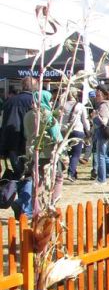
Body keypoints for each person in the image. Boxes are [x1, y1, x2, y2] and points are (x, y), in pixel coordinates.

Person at [16, 89, 63, 218]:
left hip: (32, 151)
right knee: (57, 178)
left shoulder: (28, 114)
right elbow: (56, 136)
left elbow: (26, 134)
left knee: (37, 180)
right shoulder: (47, 114)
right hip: (48, 152)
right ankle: (52, 203)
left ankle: (36, 207)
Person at [0, 77, 37, 179]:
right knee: (28, 174)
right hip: (28, 141)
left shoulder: (9, 101)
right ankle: (26, 194)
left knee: (19, 172)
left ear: (22, 86)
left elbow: (3, 124)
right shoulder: (34, 102)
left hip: (12, 141)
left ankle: (21, 192)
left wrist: (3, 148)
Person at [60, 88, 91, 182]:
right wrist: (88, 131)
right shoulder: (80, 106)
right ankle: (71, 173)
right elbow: (85, 120)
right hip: (77, 130)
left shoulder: (62, 105)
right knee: (76, 154)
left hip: (65, 131)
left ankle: (73, 171)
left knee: (69, 153)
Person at [92, 85, 109, 185]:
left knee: (100, 156)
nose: (96, 97)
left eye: (98, 95)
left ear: (103, 95)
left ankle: (101, 179)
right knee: (103, 155)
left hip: (103, 133)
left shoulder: (103, 106)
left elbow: (103, 121)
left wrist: (94, 117)